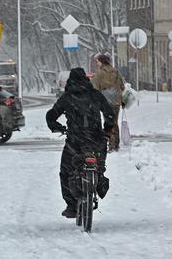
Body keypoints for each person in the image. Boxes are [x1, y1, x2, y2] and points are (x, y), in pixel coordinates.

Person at [46, 67, 115, 218]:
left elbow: (51, 115)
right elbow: (109, 114)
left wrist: (56, 127)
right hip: (96, 140)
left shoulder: (67, 97)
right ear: (86, 79)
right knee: (99, 166)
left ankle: (71, 205)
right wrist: (107, 130)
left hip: (75, 141)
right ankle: (99, 180)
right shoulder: (95, 95)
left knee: (66, 171)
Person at [91, 54, 125, 152]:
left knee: (108, 122)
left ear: (102, 62)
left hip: (106, 101)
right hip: (117, 100)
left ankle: (111, 145)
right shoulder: (116, 71)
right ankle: (116, 144)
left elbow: (94, 88)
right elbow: (122, 86)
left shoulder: (100, 73)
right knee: (115, 122)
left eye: (98, 61)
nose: (97, 63)